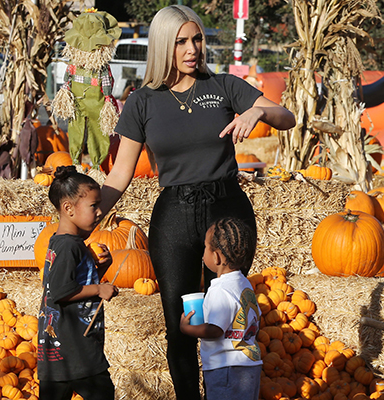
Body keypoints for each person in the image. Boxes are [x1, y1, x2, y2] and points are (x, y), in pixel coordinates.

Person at [98, 5, 295, 399]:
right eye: (181, 42)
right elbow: (120, 174)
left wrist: (257, 109)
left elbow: (285, 117)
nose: (192, 49)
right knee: (181, 323)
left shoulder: (222, 85)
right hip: (175, 214)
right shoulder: (142, 102)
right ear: (162, 46)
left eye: (197, 39)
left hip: (227, 211)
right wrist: (84, 221)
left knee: (227, 312)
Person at [37, 165, 119, 400]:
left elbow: (66, 281)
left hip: (59, 352)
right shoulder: (69, 246)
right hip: (76, 350)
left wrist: (99, 269)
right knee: (103, 394)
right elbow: (62, 291)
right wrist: (99, 289)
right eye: (94, 206)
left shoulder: (62, 241)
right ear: (68, 208)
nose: (99, 212)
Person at [180, 217, 262, 400]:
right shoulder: (245, 284)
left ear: (216, 256)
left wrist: (187, 328)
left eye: (205, 248)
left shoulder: (219, 289)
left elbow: (215, 330)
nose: (203, 254)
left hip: (226, 369)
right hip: (251, 365)